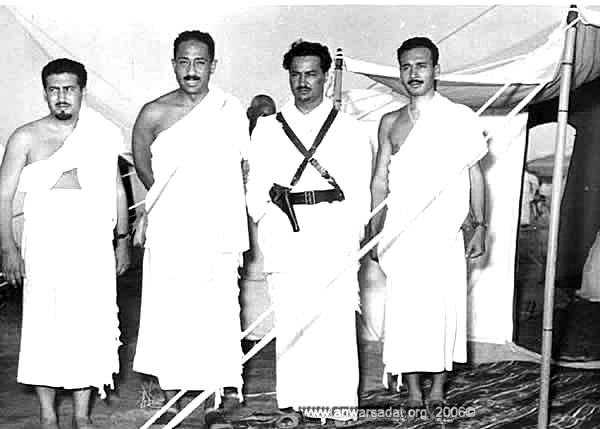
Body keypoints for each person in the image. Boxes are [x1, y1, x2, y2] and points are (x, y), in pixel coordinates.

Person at [245, 40, 372, 422]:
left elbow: (359, 191)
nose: (303, 82)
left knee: (335, 321)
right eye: (296, 74)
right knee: (291, 323)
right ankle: (295, 405)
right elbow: (256, 186)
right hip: (285, 232)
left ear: (326, 77)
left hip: (333, 232)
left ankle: (337, 406)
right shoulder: (268, 128)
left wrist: (351, 238)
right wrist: (267, 220)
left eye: (311, 74)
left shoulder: (350, 130)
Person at [0, 58, 130, 429]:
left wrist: (122, 241)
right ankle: (47, 415)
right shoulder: (25, 137)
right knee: (43, 322)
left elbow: (116, 190)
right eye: (54, 89)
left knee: (89, 321)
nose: (61, 96)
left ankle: (82, 415)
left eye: (69, 89)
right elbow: (3, 195)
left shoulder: (100, 134)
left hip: (91, 240)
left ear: (82, 92)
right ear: (45, 93)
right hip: (43, 239)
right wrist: (8, 247)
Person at [131, 30, 250, 418]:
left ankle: (217, 394)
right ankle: (172, 395)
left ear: (213, 65)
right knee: (171, 311)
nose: (191, 70)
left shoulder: (230, 108)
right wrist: (170, 204)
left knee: (217, 310)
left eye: (200, 62)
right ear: (173, 64)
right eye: (184, 61)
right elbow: (144, 164)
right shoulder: (153, 112)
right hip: (171, 229)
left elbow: (243, 165)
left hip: (218, 228)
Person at [369, 36, 488, 409]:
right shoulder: (390, 122)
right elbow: (379, 181)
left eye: (421, 65)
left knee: (441, 307)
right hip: (400, 231)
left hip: (443, 230)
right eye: (406, 66)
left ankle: (437, 389)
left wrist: (480, 226)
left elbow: (475, 177)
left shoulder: (459, 117)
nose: (413, 73)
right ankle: (413, 390)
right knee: (406, 310)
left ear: (436, 69)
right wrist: (374, 230)